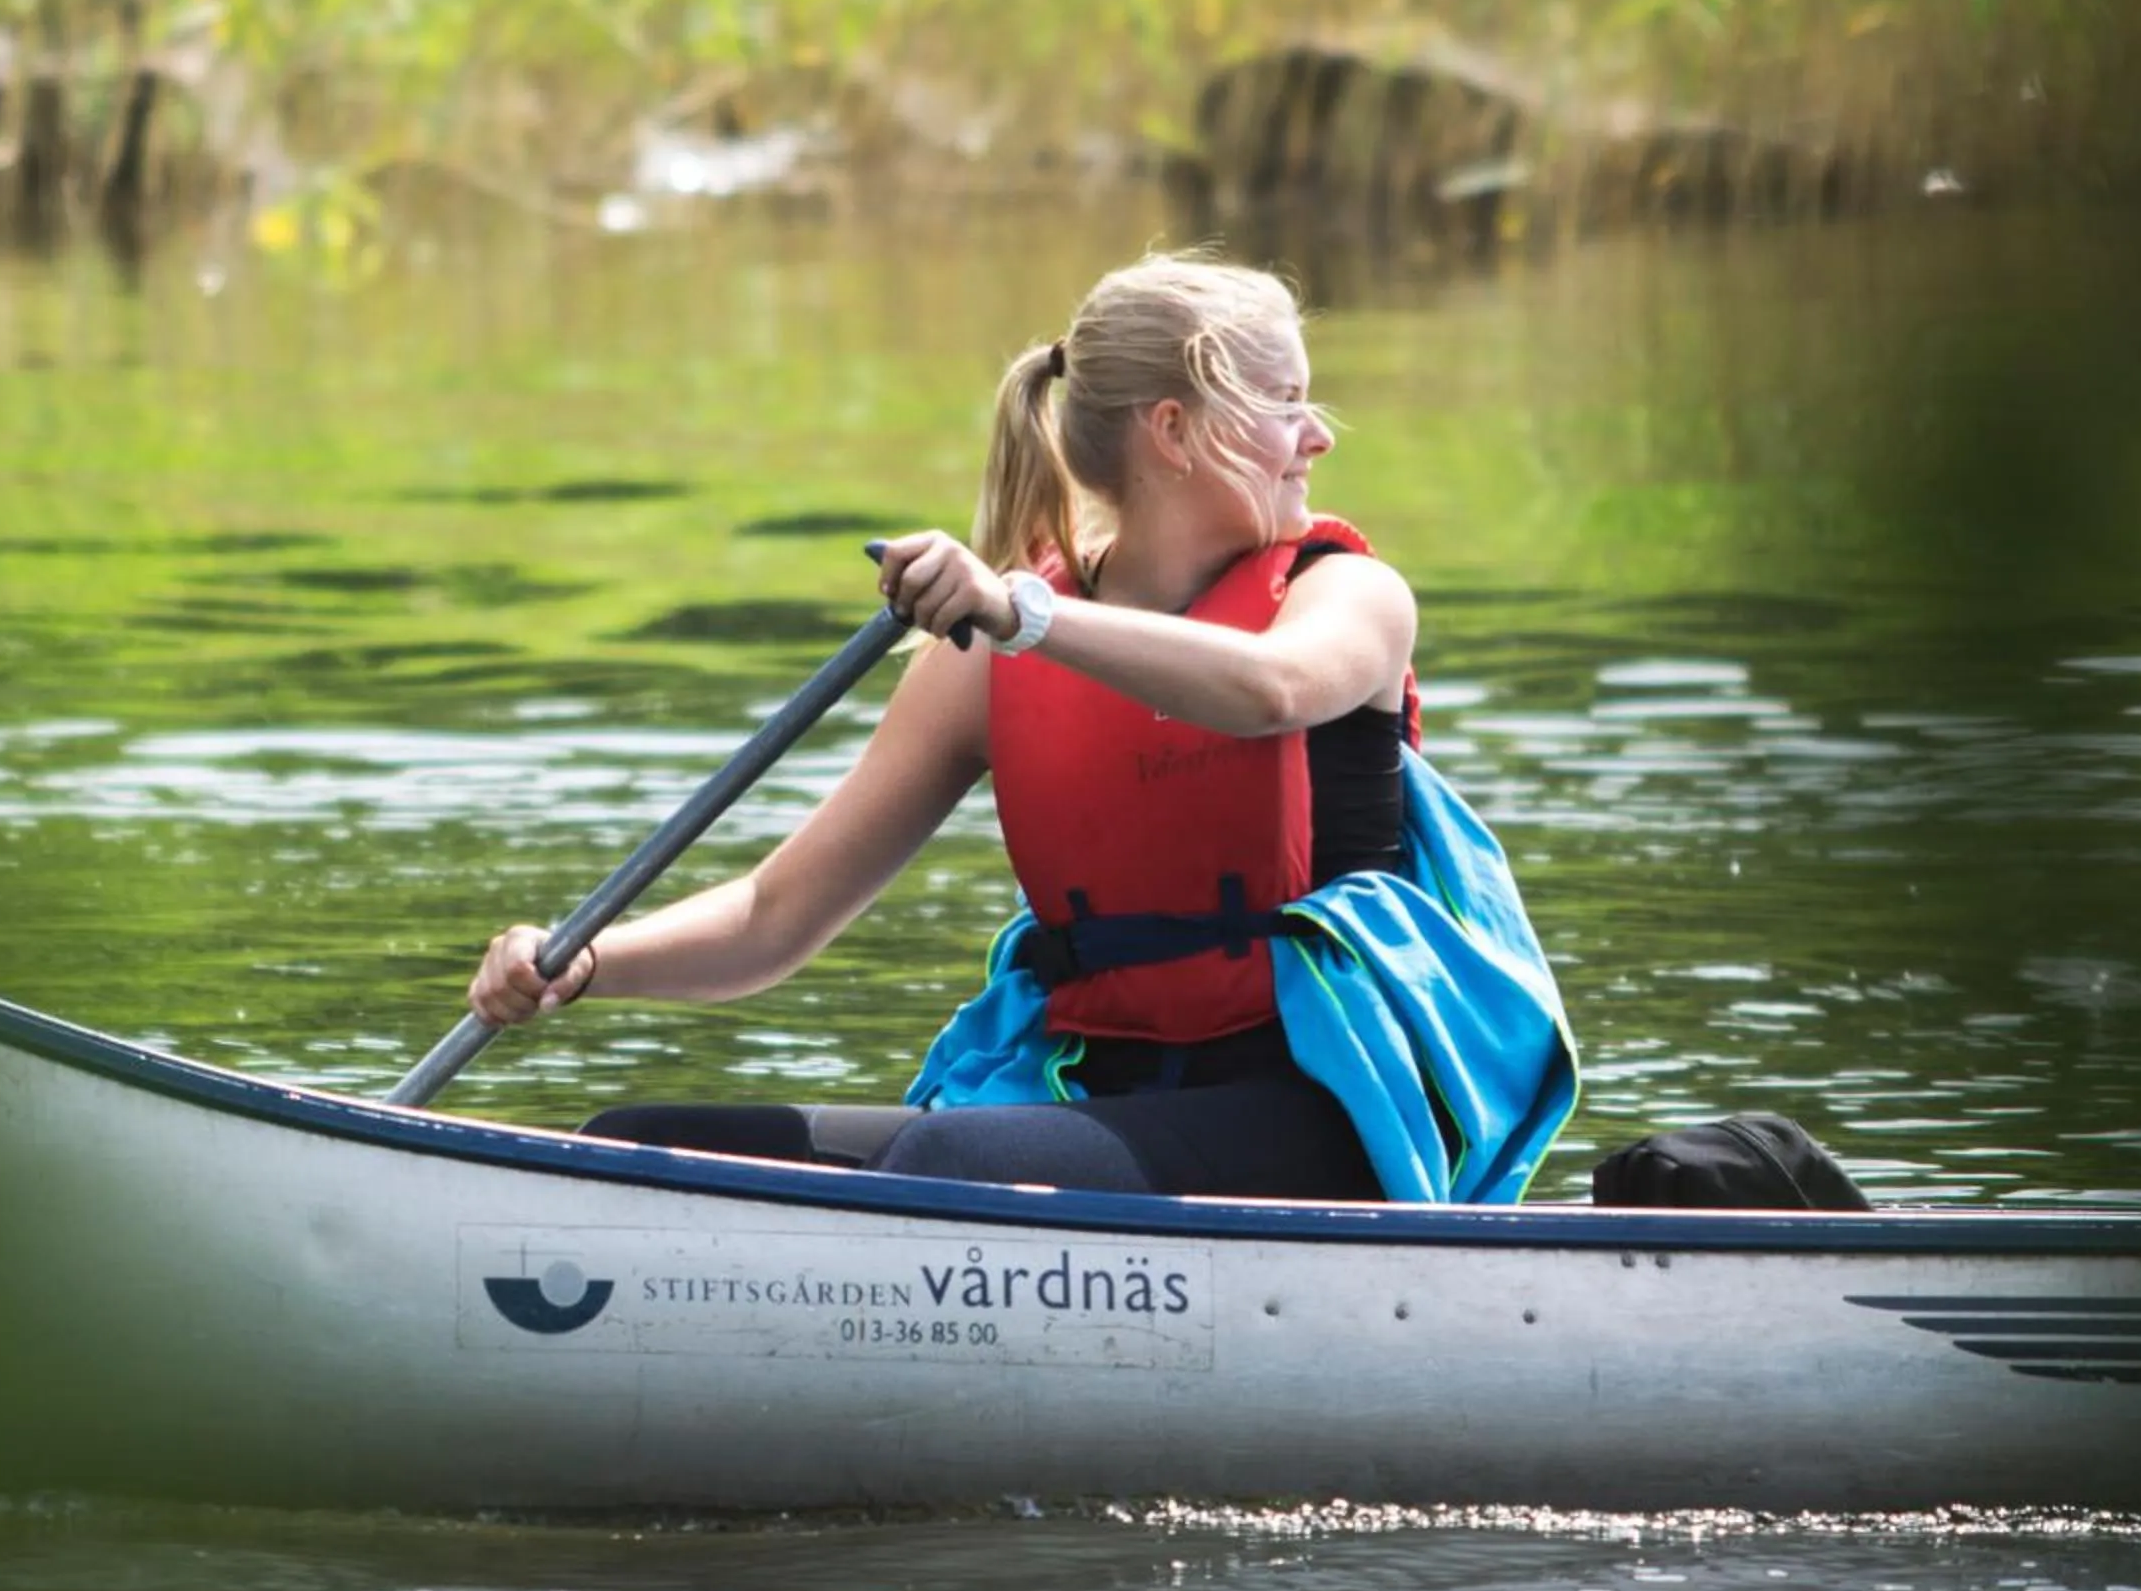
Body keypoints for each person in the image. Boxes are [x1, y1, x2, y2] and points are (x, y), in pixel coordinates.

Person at [465, 252, 1430, 1201]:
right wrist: (584, 961)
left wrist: (1023, 615)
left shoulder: (1347, 596)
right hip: (1094, 1089)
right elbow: (774, 918)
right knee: (645, 1146)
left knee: (951, 1168)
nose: (1317, 437)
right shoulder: (987, 660)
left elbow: (1271, 689)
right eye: (1286, 402)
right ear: (1176, 430)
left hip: (1325, 1109)